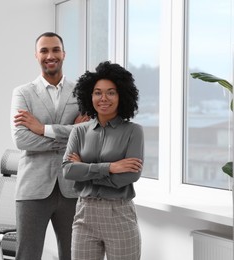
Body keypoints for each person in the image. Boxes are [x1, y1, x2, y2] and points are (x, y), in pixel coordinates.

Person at [10, 32, 90, 260]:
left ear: (64, 54)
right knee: (28, 255)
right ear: (36, 55)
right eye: (44, 50)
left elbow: (88, 137)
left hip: (72, 187)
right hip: (32, 188)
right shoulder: (22, 93)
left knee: (74, 255)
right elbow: (22, 140)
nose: (50, 55)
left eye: (55, 49)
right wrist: (70, 133)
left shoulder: (80, 93)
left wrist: (42, 128)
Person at [62, 61, 144, 260]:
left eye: (111, 92)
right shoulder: (79, 131)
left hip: (119, 213)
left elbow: (130, 175)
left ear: (121, 95)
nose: (103, 98)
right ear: (89, 96)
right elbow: (67, 171)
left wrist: (84, 170)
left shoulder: (133, 131)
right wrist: (111, 167)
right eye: (97, 92)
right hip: (84, 212)